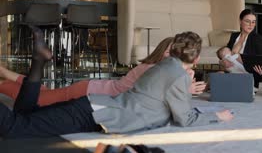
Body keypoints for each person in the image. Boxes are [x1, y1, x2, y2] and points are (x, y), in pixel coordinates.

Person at [0, 29, 233, 139]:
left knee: (26, 113)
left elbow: (169, 103)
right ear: (197, 59)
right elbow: (185, 118)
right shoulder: (176, 74)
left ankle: (39, 61)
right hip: (93, 113)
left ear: (170, 51)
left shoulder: (161, 66)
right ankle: (38, 62)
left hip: (92, 107)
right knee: (15, 128)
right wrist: (217, 116)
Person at [0, 37, 207, 107]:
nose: (172, 56)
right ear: (162, 51)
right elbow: (158, 96)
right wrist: (185, 89)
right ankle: (3, 82)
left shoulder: (158, 68)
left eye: (175, 52)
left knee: (42, 93)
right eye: (169, 51)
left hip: (94, 89)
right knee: (39, 100)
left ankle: (3, 74)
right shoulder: (154, 69)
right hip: (91, 91)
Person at [221, 9, 262, 87]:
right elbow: (226, 53)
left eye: (253, 22)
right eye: (247, 21)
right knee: (215, 76)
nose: (251, 25)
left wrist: (239, 58)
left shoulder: (257, 39)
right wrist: (223, 61)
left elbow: (261, 63)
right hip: (232, 70)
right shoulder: (234, 36)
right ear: (240, 21)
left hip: (247, 74)